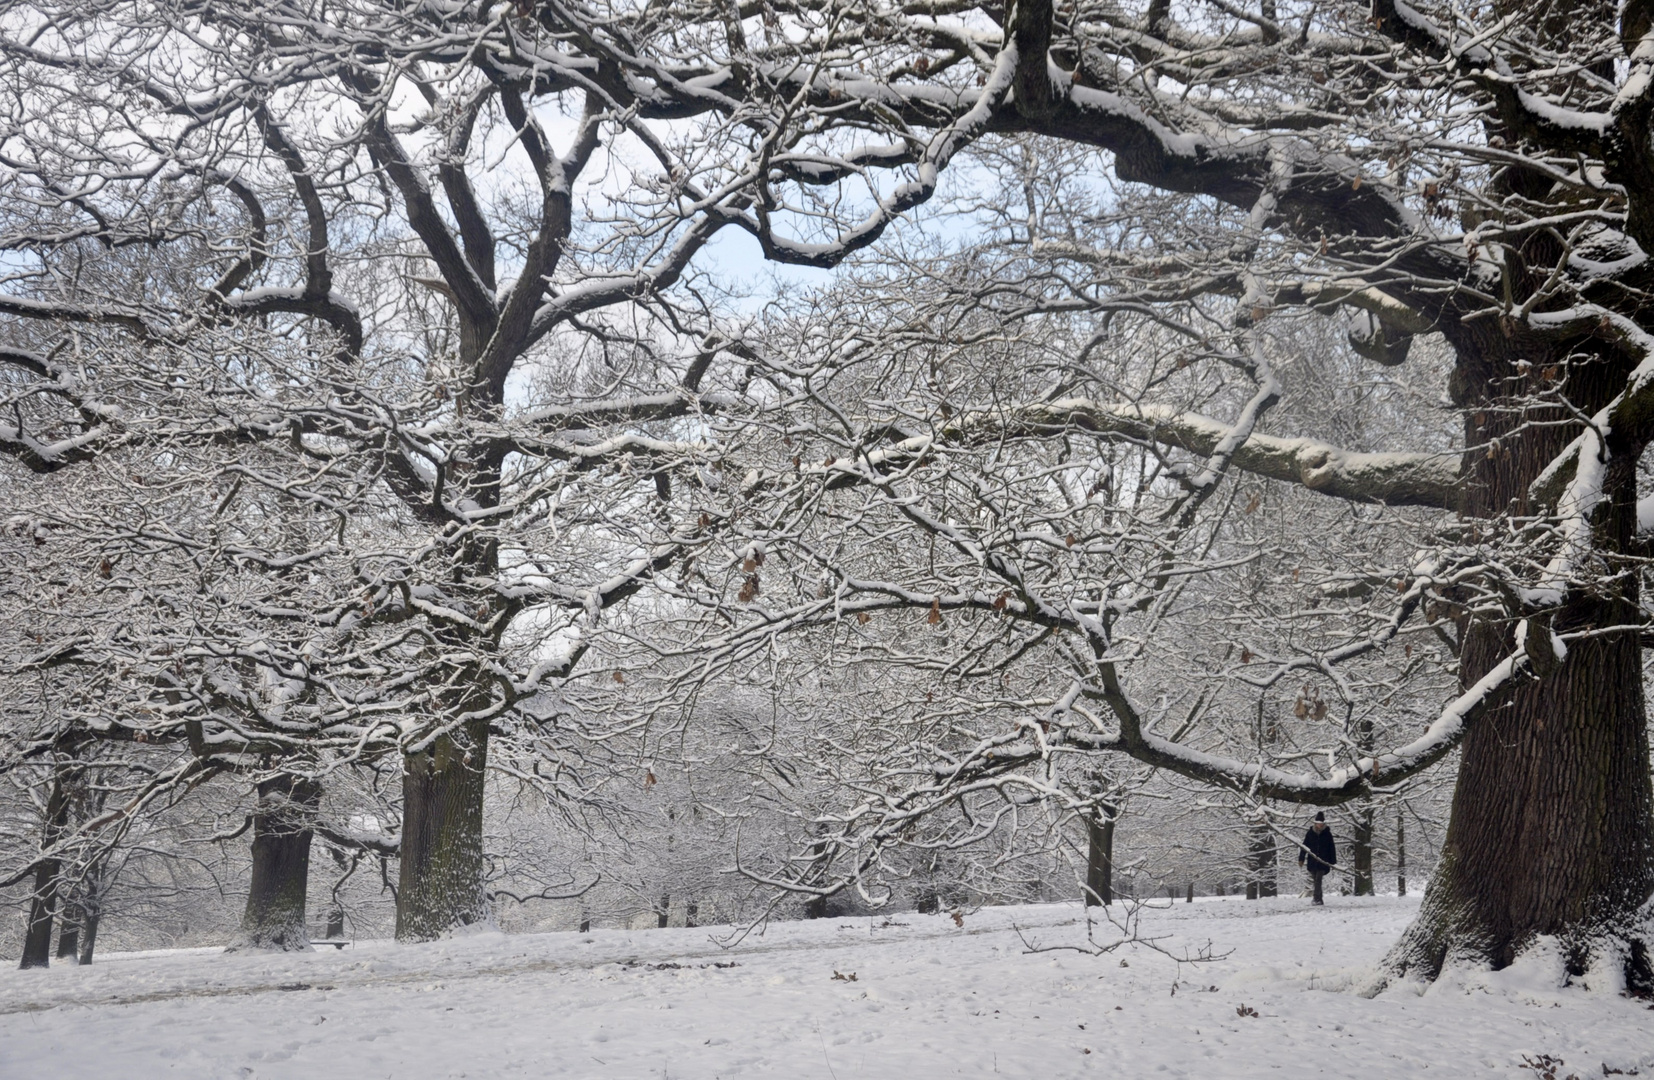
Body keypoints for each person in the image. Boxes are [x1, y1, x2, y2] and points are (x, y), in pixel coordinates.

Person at [1297, 812, 1337, 905]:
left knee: (1318, 879)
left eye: (1321, 823)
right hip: (1312, 861)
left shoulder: (1327, 834)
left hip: (1323, 861)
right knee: (1316, 881)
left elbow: (1331, 847)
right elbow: (1304, 846)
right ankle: (1320, 899)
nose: (1320, 825)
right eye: (1318, 823)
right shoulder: (1310, 833)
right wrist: (1301, 858)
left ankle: (1315, 898)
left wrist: (1333, 861)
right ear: (1315, 823)